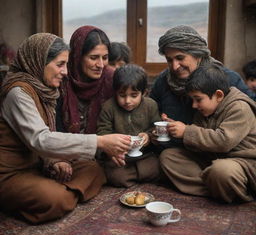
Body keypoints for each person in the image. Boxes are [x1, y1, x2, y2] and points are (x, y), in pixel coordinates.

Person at [0, 33, 131, 224]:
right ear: (39, 61)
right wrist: (100, 141)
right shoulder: (18, 92)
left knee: (94, 169)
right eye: (59, 64)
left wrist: (53, 160)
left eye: (66, 65)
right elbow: (40, 140)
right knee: (55, 198)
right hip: (11, 173)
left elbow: (43, 139)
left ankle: (52, 195)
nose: (65, 72)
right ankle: (55, 198)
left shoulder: (45, 89)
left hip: (38, 164)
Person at [160, 64, 256, 203]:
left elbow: (223, 141)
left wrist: (186, 131)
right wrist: (175, 129)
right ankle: (217, 188)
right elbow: (199, 144)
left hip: (243, 163)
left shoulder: (239, 108)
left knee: (221, 171)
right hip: (212, 158)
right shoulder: (204, 110)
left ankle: (233, 189)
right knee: (168, 157)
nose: (194, 105)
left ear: (218, 95)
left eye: (198, 99)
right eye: (192, 100)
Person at [150, 25, 256, 148]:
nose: (175, 66)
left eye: (180, 58)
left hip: (223, 154)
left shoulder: (227, 79)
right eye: (169, 60)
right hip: (176, 151)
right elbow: (151, 113)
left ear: (198, 55)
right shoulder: (163, 81)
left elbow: (250, 112)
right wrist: (156, 129)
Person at [97, 64, 161, 187]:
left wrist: (148, 137)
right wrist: (112, 150)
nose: (127, 101)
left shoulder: (150, 105)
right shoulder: (108, 107)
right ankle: (140, 176)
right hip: (121, 157)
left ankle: (135, 176)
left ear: (144, 93)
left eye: (133, 95)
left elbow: (155, 128)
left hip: (144, 155)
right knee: (116, 175)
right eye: (122, 95)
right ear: (115, 92)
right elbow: (102, 133)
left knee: (158, 165)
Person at [56, 25, 114, 134]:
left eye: (105, 58)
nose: (101, 65)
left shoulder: (112, 80)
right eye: (93, 58)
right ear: (77, 56)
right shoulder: (61, 81)